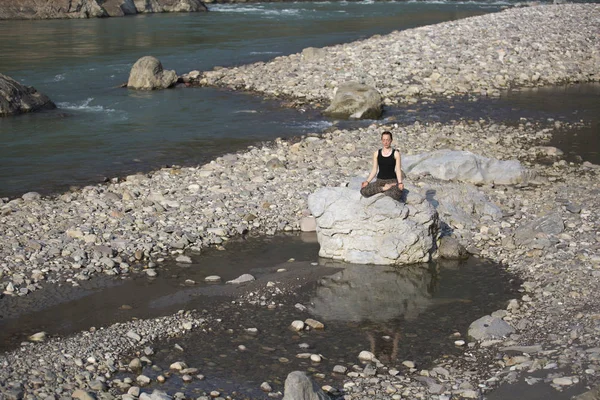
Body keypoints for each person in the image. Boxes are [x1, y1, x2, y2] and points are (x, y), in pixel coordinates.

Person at [360, 131, 404, 201]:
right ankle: (384, 189)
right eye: (383, 140)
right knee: (363, 191)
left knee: (397, 194)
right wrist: (367, 181)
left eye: (387, 140)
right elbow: (374, 170)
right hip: (379, 181)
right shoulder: (376, 153)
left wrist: (400, 183)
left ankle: (383, 190)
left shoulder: (396, 153)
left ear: (391, 140)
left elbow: (398, 169)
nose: (385, 142)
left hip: (392, 182)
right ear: (381, 140)